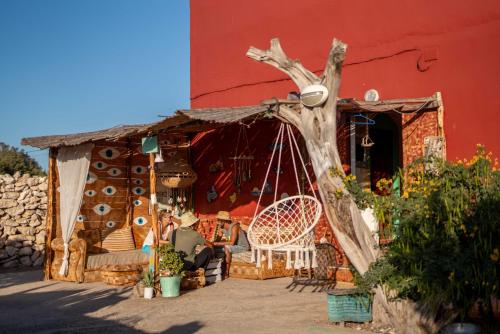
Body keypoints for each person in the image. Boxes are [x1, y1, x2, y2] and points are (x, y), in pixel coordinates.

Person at [213, 211, 250, 277]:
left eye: (218, 220)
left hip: (242, 246)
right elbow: (216, 240)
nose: (217, 222)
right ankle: (215, 268)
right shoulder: (221, 228)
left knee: (227, 247)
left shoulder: (234, 226)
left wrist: (217, 243)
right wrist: (212, 243)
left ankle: (226, 271)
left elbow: (232, 242)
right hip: (234, 246)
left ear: (223, 221)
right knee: (212, 248)